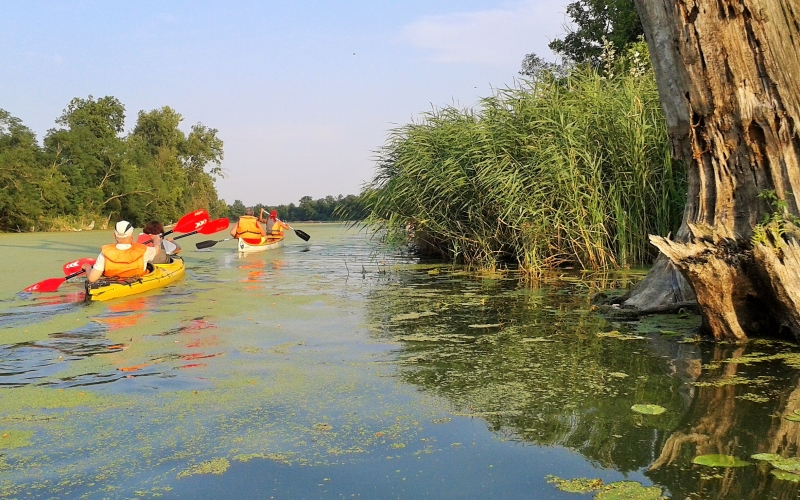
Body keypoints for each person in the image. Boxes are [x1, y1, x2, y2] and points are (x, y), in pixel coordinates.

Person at [82, 221, 166, 283]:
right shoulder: (144, 250)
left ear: (114, 236)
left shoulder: (105, 253)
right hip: (137, 281)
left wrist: (87, 267)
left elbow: (92, 279)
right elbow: (157, 250)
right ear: (132, 235)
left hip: (112, 283)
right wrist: (156, 239)